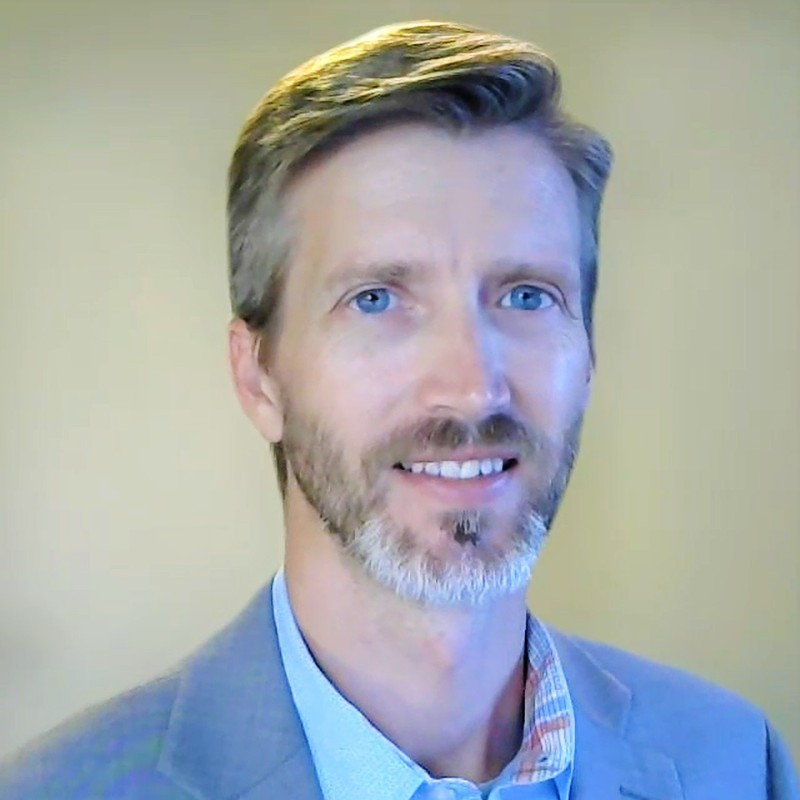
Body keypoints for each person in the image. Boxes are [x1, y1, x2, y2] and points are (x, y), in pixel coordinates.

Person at [1, 19, 797, 800]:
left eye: (526, 295)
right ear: (260, 378)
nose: (472, 388)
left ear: (587, 354)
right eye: (377, 298)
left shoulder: (733, 764)